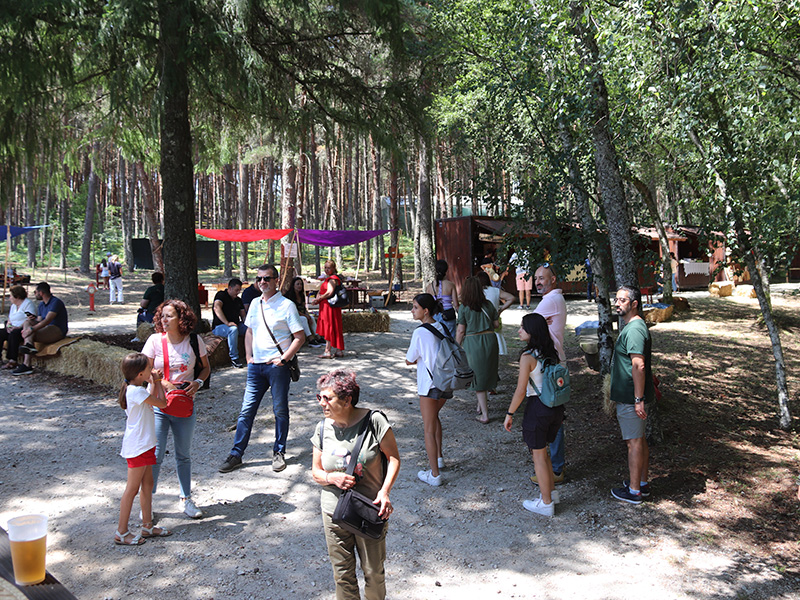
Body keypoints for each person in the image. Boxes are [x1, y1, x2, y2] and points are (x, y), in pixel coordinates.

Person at [311, 369, 400, 600]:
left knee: (373, 572)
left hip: (369, 510)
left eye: (327, 398)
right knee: (342, 575)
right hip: (333, 512)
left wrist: (385, 491)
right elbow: (316, 472)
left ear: (347, 400)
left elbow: (393, 458)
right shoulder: (322, 428)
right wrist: (332, 478)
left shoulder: (374, 421)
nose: (322, 403)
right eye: (319, 397)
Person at [219, 264, 305, 474]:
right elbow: (249, 331)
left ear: (276, 281)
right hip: (256, 368)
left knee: (280, 411)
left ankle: (279, 452)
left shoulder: (286, 305)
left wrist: (284, 359)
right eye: (259, 279)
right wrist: (248, 357)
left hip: (277, 368)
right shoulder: (255, 304)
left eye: (267, 278)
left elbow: (300, 337)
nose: (262, 282)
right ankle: (236, 453)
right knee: (246, 412)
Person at [142, 300, 211, 519]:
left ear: (182, 319)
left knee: (184, 455)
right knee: (156, 454)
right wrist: (163, 384)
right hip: (159, 404)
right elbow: (144, 370)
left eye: (169, 316)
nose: (164, 320)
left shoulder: (194, 340)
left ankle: (186, 499)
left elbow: (206, 367)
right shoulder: (154, 340)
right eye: (162, 316)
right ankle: (148, 503)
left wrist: (198, 383)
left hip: (184, 405)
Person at [503, 314, 565, 517]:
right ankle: (551, 493)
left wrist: (510, 413)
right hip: (554, 408)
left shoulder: (528, 357)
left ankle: (546, 502)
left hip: (537, 408)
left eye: (523, 327)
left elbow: (521, 390)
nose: (519, 330)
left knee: (537, 455)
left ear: (532, 332)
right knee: (543, 452)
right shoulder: (551, 353)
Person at [115, 352, 171, 545]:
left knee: (147, 485)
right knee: (131, 490)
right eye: (148, 368)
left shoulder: (134, 389)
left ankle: (147, 526)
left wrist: (154, 381)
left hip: (145, 445)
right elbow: (162, 403)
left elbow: (150, 394)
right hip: (138, 446)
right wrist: (159, 381)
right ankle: (121, 532)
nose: (152, 369)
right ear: (140, 374)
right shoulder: (136, 392)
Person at [610, 285, 655, 504]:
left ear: (634, 304)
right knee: (639, 440)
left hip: (631, 397)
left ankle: (634, 491)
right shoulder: (631, 327)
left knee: (634, 443)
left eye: (622, 300)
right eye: (616, 300)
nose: (617, 303)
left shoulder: (635, 329)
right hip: (631, 396)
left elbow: (638, 365)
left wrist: (638, 400)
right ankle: (642, 484)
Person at [406, 293, 450, 487]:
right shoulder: (440, 326)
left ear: (425, 311)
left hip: (429, 385)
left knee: (428, 429)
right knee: (434, 419)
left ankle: (434, 474)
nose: (412, 310)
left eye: (415, 307)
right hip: (445, 382)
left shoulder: (420, 332)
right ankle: (439, 457)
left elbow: (409, 358)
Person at [531, 263, 568, 484]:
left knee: (551, 415)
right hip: (552, 364)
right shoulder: (551, 300)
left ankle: (555, 469)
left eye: (542, 278)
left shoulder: (552, 300)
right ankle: (553, 466)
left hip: (551, 366)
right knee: (552, 414)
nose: (538, 282)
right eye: (536, 278)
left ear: (553, 280)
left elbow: (529, 326)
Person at [456, 276, 499, 424]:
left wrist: (456, 347)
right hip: (490, 340)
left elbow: (461, 330)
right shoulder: (488, 305)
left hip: (474, 342)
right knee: (485, 373)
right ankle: (480, 406)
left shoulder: (464, 308)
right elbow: (496, 324)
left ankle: (485, 415)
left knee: (478, 377)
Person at [15, 281, 68, 376]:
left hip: (56, 330)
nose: (34, 294)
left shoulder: (56, 302)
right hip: (46, 329)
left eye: (35, 292)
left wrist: (30, 330)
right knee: (28, 322)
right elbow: (40, 321)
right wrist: (31, 322)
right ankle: (29, 348)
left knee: (31, 333)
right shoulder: (41, 305)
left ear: (41, 293)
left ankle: (27, 364)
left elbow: (47, 320)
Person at [312, 260, 345, 359]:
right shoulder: (329, 279)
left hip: (329, 307)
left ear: (333, 268)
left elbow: (329, 292)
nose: (326, 270)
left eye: (329, 268)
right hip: (327, 306)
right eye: (325, 267)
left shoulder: (332, 279)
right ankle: (339, 350)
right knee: (334, 326)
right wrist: (319, 298)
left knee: (329, 327)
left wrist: (319, 298)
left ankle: (327, 351)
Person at [477, 270, 513, 358]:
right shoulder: (495, 290)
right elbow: (511, 298)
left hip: (479, 321)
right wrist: (500, 310)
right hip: (494, 319)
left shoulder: (476, 291)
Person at [212, 278, 247, 368]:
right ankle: (234, 358)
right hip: (220, 327)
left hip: (236, 324)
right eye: (236, 290)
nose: (238, 292)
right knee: (233, 330)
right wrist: (227, 323)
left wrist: (247, 324)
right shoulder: (221, 295)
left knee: (249, 329)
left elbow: (243, 315)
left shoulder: (238, 300)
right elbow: (217, 308)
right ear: (230, 288)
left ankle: (252, 353)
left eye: (239, 290)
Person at [1, 285, 35, 371]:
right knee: (1, 333)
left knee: (14, 334)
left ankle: (12, 360)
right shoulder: (13, 306)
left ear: (18, 297)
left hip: (22, 328)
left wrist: (18, 327)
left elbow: (30, 320)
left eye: (11, 296)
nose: (10, 298)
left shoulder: (28, 304)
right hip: (12, 327)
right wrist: (8, 326)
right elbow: (9, 319)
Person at [284, 276, 324, 347]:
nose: (300, 286)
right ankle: (310, 338)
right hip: (292, 316)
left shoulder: (301, 295)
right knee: (304, 319)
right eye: (297, 284)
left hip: (301, 315)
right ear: (293, 285)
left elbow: (304, 308)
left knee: (311, 317)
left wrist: (307, 314)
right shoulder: (289, 296)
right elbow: (293, 310)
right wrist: (305, 316)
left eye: (301, 284)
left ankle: (318, 336)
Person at [425, 259, 459, 337]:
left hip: (435, 314)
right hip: (448, 314)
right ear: (446, 270)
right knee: (450, 339)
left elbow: (427, 304)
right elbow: (456, 304)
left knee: (436, 338)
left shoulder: (429, 287)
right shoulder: (451, 285)